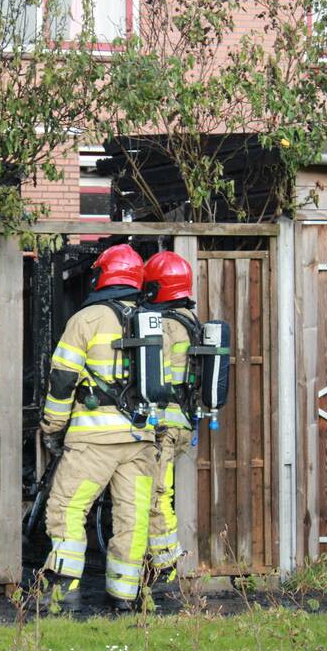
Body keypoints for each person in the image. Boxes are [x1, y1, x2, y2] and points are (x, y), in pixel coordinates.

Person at [38, 243, 159, 612]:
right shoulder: (152, 321)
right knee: (133, 518)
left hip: (93, 442)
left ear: (103, 276)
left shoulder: (85, 320)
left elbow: (62, 382)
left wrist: (52, 429)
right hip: (141, 440)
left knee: (67, 511)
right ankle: (125, 598)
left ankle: (62, 593)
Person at [141, 251, 197, 587]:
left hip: (163, 425)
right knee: (162, 491)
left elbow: (153, 378)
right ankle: (159, 562)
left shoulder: (165, 327)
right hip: (185, 424)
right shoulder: (192, 321)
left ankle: (165, 565)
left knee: (155, 494)